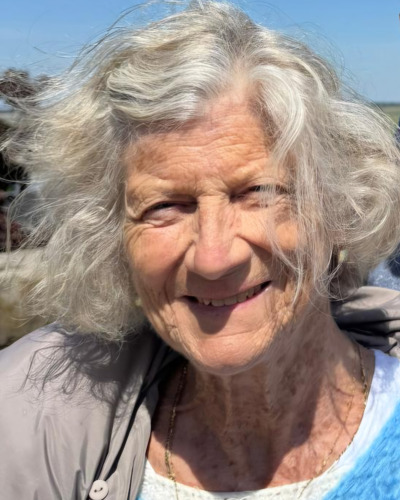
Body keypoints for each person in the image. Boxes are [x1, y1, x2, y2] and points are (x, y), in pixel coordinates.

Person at [1, 2, 400, 499]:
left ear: (339, 210)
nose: (214, 257)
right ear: (111, 241)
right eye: (165, 206)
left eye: (259, 193)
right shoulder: (26, 424)